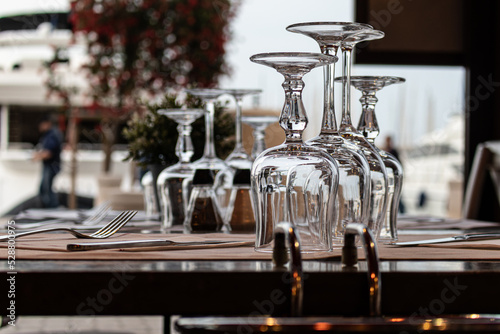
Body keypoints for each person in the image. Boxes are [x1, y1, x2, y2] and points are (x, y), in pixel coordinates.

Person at [33, 115, 63, 208]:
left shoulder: (51, 135)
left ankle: (52, 208)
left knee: (46, 190)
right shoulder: (50, 134)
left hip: (51, 166)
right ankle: (50, 208)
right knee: (45, 188)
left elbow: (48, 153)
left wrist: (37, 156)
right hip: (51, 165)